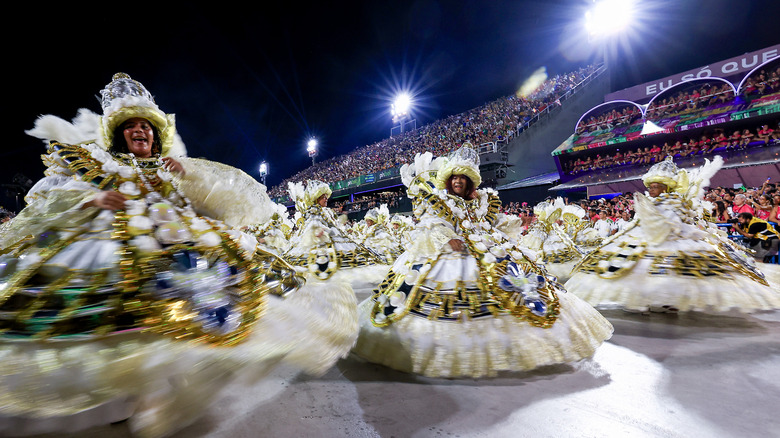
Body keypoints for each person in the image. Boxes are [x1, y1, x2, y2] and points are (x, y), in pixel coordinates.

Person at [0, 73, 357, 437]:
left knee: (182, 316)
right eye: (131, 126)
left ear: (156, 134)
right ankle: (117, 396)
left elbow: (219, 202)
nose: (140, 131)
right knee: (115, 319)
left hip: (171, 252)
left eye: (147, 126)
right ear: (118, 133)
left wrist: (187, 177)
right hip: (106, 247)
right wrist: (95, 198)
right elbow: (50, 200)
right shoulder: (97, 165)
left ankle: (149, 394)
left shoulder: (169, 170)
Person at [351, 146, 613, 378]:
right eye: (453, 177)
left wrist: (507, 224)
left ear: (469, 182)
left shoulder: (482, 201)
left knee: (519, 286)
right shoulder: (441, 201)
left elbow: (489, 223)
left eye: (461, 178)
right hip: (453, 253)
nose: (456, 182)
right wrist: (447, 238)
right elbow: (431, 223)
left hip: (489, 249)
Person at [565, 156, 780, 314]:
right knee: (640, 272)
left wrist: (693, 233)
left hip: (671, 241)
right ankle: (648, 301)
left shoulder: (676, 202)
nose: (654, 189)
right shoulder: (652, 202)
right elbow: (636, 224)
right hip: (644, 241)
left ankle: (668, 302)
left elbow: (677, 225)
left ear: (665, 186)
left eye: (657, 186)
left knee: (670, 274)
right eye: (652, 186)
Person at [283, 179, 389, 288]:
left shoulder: (326, 211)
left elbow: (333, 225)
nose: (326, 199)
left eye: (326, 197)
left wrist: (338, 224)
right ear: (317, 198)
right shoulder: (314, 211)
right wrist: (320, 231)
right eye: (323, 197)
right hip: (320, 242)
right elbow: (313, 225)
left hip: (333, 239)